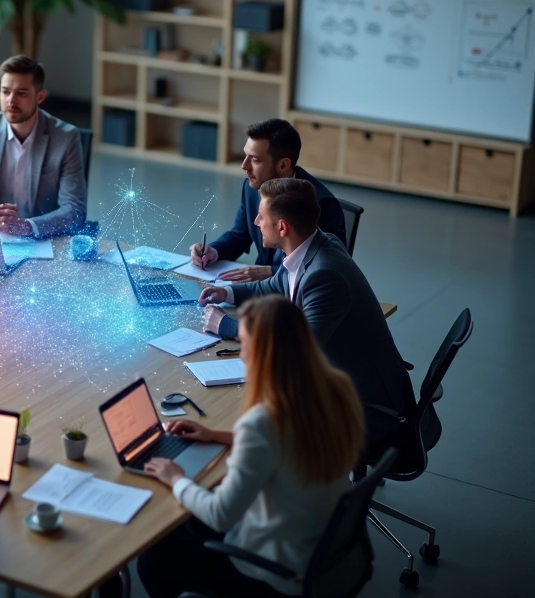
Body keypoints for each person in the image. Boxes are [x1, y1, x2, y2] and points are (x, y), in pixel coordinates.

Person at [137, 294, 366, 597]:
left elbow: (221, 515)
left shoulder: (263, 421)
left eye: (244, 344)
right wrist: (219, 435)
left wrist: (175, 478)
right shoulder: (335, 388)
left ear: (262, 353)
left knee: (155, 558)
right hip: (313, 545)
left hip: (270, 572)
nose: (242, 354)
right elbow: (290, 444)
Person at [198, 178, 414, 445]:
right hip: (341, 378)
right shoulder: (318, 244)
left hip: (366, 405)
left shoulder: (325, 274)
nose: (255, 222)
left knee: (256, 420)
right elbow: (275, 286)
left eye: (261, 216)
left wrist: (227, 326)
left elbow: (296, 346)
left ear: (282, 227)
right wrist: (228, 293)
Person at [0, 55, 86, 238]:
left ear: (40, 97)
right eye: (5, 91)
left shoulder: (65, 138)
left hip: (44, 238)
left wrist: (28, 227)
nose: (11, 101)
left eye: (22, 93)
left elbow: (74, 209)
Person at [190, 119, 345, 282]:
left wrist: (272, 271)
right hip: (259, 286)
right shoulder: (252, 187)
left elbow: (323, 268)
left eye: (255, 160)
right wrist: (213, 251)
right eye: (245, 156)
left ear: (284, 165)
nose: (244, 166)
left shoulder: (321, 205)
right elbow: (239, 236)